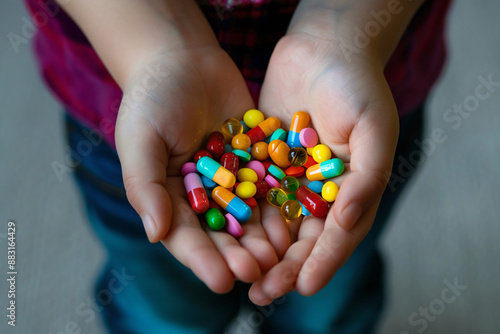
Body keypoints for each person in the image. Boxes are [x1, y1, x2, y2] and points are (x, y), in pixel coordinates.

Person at [24, 0, 452, 333]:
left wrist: (345, 30)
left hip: (364, 94)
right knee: (160, 312)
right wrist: (152, 48)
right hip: (116, 104)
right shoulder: (226, 169)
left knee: (328, 309)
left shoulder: (280, 163)